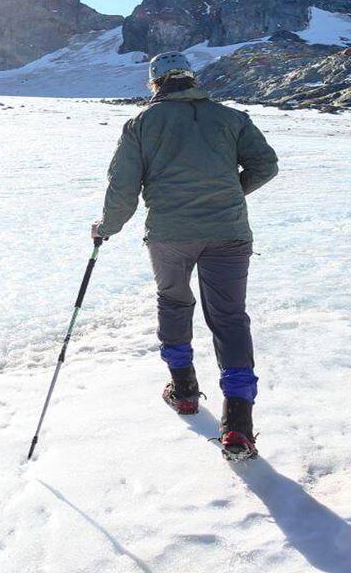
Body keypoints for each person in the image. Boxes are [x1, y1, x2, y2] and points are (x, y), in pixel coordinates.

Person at [93, 52, 278, 461]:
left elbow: (122, 188)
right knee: (230, 320)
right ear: (192, 80)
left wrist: (105, 228)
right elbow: (265, 165)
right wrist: (228, 195)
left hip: (170, 235)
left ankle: (184, 392)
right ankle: (239, 430)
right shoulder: (232, 119)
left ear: (154, 83)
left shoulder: (141, 124)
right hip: (228, 233)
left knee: (174, 304)